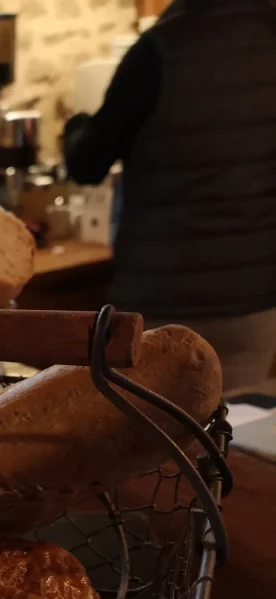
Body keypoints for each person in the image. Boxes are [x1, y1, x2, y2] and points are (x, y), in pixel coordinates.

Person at [64, 0, 276, 391]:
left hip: (164, 302)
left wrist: (76, 124)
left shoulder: (157, 50)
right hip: (256, 301)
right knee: (237, 437)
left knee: (156, 439)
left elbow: (88, 162)